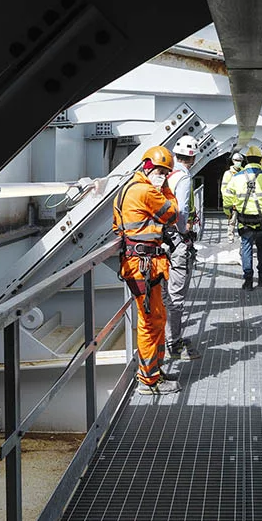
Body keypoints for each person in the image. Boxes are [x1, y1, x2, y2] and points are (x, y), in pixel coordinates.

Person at [113, 145, 181, 395]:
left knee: (156, 317)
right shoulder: (146, 191)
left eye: (165, 174)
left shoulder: (124, 190)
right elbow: (172, 214)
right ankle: (149, 380)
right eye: (161, 172)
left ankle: (155, 371)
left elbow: (117, 228)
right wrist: (167, 189)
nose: (162, 177)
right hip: (144, 266)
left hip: (138, 264)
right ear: (148, 168)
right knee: (150, 322)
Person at [164, 135, 202, 361]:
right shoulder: (184, 178)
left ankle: (167, 338)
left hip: (160, 239)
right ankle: (173, 343)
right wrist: (183, 231)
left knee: (164, 293)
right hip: (175, 240)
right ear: (193, 157)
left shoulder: (166, 174)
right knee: (176, 294)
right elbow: (182, 211)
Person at [223, 145, 262, 290]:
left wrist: (228, 211)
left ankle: (248, 280)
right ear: (260, 160)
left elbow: (227, 196)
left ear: (246, 160)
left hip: (244, 222)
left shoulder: (237, 177)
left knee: (246, 248)